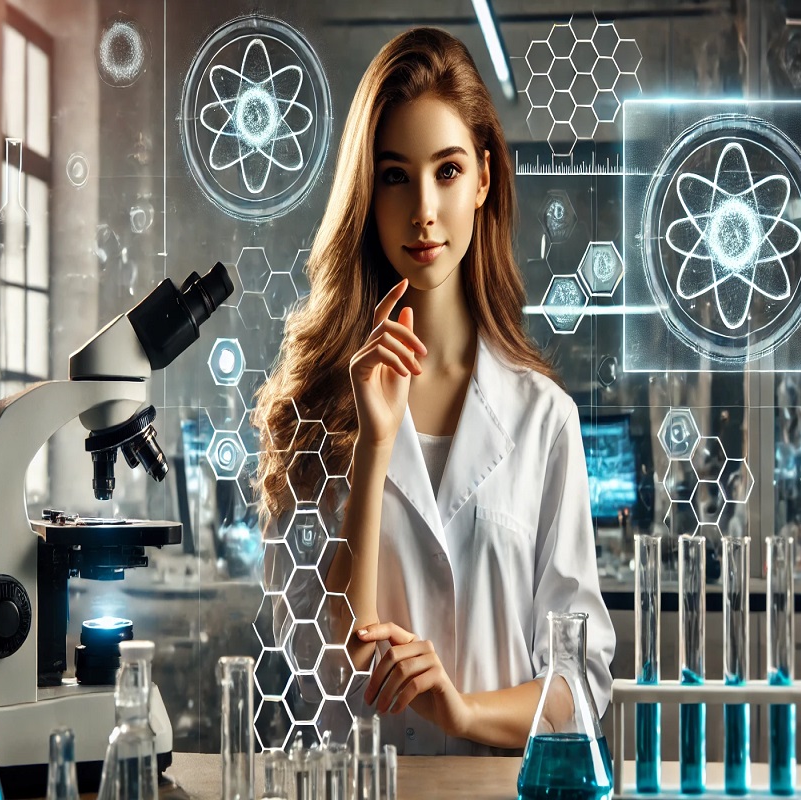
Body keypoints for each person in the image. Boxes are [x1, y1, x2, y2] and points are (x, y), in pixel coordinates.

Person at [254, 27, 614, 755]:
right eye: (394, 175)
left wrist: (464, 711)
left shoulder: (545, 419)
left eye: (446, 172)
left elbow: (581, 687)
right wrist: (374, 445)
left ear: (484, 179)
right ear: (367, 190)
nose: (422, 208)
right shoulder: (318, 414)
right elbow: (322, 662)